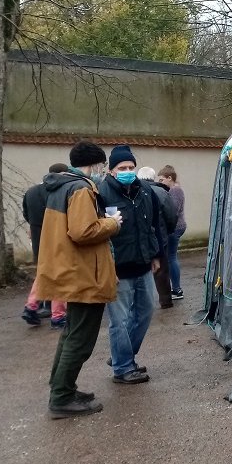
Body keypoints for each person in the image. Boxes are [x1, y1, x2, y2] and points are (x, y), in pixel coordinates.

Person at [37, 141, 121, 418]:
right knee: (80, 339)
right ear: (95, 164)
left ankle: (63, 387)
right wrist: (113, 224)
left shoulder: (60, 186)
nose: (103, 170)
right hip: (84, 275)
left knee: (71, 333)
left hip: (70, 271)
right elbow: (83, 231)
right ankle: (61, 397)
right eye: (103, 165)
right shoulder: (81, 189)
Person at [100, 145, 161, 384]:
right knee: (120, 320)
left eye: (131, 167)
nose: (127, 171)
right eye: (122, 168)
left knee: (146, 311)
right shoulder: (102, 193)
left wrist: (156, 256)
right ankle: (123, 367)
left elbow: (154, 226)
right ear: (112, 170)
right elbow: (99, 234)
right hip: (118, 269)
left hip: (143, 264)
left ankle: (122, 355)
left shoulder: (145, 191)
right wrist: (106, 267)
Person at [21, 163, 69, 328]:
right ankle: (58, 315)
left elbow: (26, 214)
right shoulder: (58, 191)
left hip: (37, 239)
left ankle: (31, 306)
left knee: (43, 273)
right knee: (59, 276)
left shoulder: (31, 192)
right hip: (56, 238)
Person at [138, 166, 177, 309]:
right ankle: (165, 300)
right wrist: (168, 230)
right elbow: (171, 215)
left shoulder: (133, 191)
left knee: (140, 271)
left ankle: (140, 303)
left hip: (139, 239)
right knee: (162, 271)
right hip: (160, 237)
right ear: (153, 177)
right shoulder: (161, 192)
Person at [157, 165, 186, 300]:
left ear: (170, 178)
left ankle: (176, 289)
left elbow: (173, 210)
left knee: (171, 258)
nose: (160, 183)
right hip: (176, 227)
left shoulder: (175, 191)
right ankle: (175, 289)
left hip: (174, 228)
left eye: (162, 180)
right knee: (171, 257)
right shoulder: (174, 190)